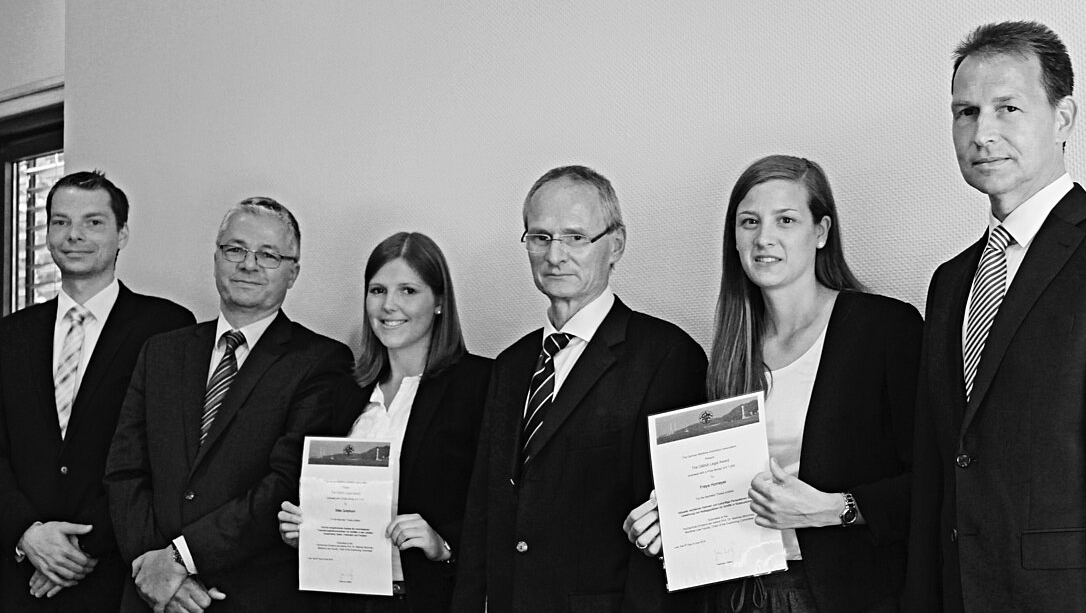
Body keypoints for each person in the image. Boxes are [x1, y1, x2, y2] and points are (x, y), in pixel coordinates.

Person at [623, 155, 922, 612]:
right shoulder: (730, 350)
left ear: (821, 231)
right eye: (750, 221)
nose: (764, 238)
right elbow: (725, 492)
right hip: (739, 594)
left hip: (843, 596)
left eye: (786, 220)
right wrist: (673, 522)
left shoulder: (884, 328)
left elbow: (933, 482)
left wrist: (835, 509)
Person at [904, 21, 1086, 612]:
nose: (982, 134)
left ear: (1063, 118)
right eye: (966, 112)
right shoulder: (951, 280)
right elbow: (940, 468)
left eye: (1008, 108)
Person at [451, 166, 707, 612]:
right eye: (540, 237)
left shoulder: (666, 356)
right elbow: (483, 512)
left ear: (616, 245)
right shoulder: (510, 365)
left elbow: (667, 525)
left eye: (575, 237)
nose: (555, 255)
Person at [105, 197, 353, 613]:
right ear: (216, 258)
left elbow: (287, 482)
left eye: (268, 255)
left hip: (250, 595)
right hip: (150, 594)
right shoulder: (161, 352)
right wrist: (152, 565)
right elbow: (125, 469)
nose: (248, 264)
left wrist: (181, 558)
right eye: (235, 249)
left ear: (293, 272)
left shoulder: (321, 362)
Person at [0, 171, 195, 612]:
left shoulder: (167, 329)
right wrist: (27, 533)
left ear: (122, 233)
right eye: (61, 222)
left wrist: (82, 547)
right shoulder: (10, 335)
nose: (74, 235)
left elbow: (166, 457)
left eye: (93, 222)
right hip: (18, 574)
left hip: (117, 575)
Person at [277, 231, 491, 613]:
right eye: (378, 291)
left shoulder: (479, 385)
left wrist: (444, 544)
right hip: (339, 602)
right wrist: (306, 530)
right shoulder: (345, 390)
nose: (389, 305)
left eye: (408, 290)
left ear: (439, 301)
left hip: (426, 600)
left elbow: (495, 503)